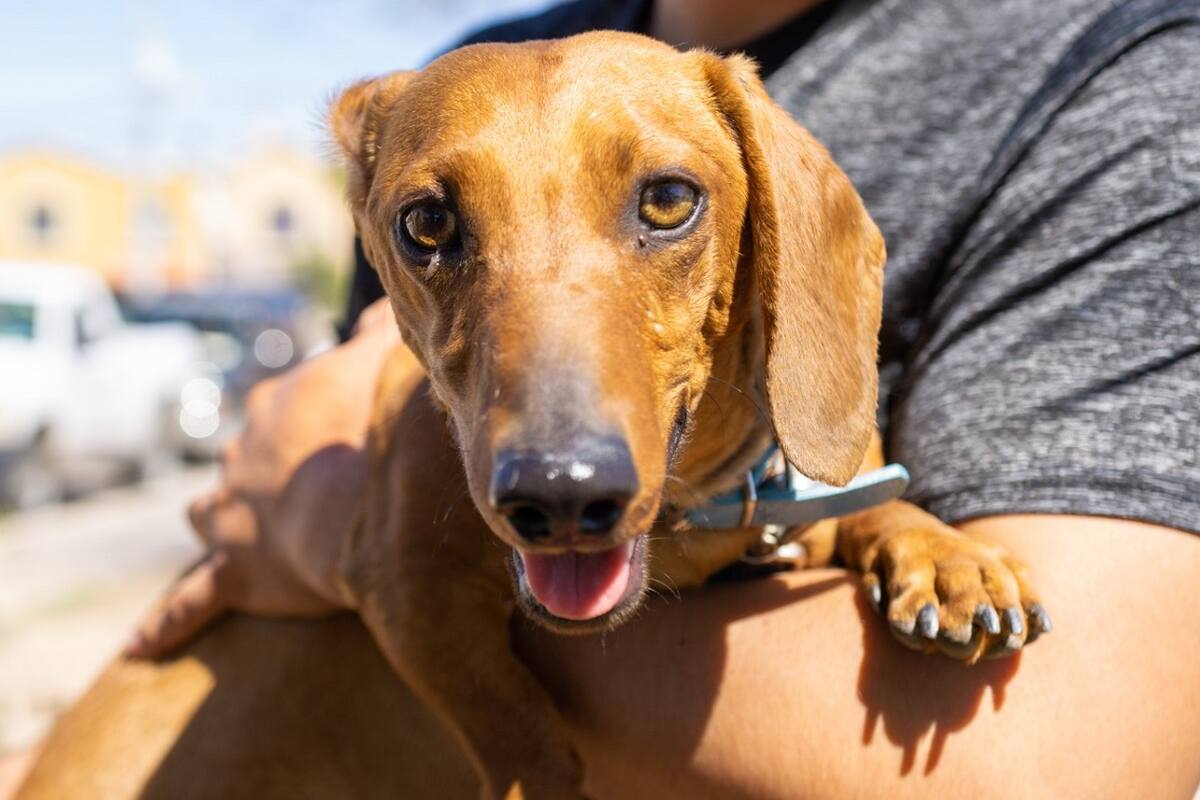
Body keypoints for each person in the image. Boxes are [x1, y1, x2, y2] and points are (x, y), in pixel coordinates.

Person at [129, 0, 1200, 795]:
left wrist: (328, 525)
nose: (555, 472)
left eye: (666, 205)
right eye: (431, 232)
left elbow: (1070, 756)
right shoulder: (451, 93)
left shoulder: (1112, 77)